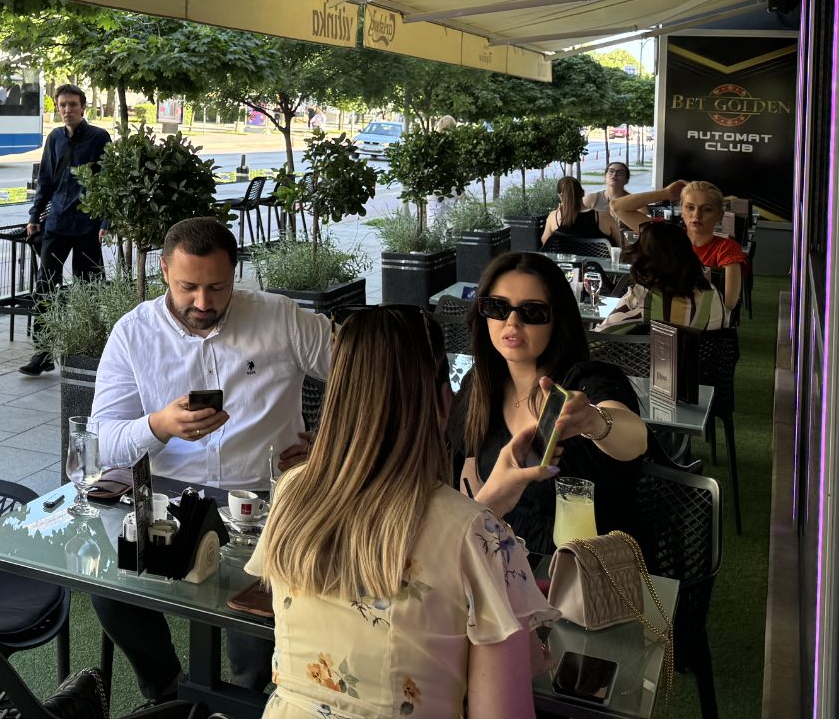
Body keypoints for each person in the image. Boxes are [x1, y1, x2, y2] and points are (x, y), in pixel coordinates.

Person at [249, 308, 558, 719]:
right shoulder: (478, 537)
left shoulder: (292, 493)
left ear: (338, 393)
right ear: (443, 399)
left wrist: (484, 511)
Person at [88, 216, 330, 700]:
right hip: (167, 502)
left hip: (266, 500)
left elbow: (369, 375)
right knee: (110, 593)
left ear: (235, 273)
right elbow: (102, 441)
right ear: (163, 271)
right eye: (188, 287)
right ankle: (169, 693)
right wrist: (158, 425)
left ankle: (242, 699)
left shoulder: (282, 318)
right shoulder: (134, 333)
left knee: (257, 620)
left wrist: (331, 441)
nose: (202, 303)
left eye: (217, 287)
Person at [455, 253, 649, 555]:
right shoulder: (479, 386)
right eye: (497, 307)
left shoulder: (586, 380)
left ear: (557, 319)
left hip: (592, 563)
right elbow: (470, 479)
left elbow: (635, 439)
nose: (512, 321)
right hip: (505, 558)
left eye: (532, 312)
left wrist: (593, 421)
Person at [19, 84, 112, 375]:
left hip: (87, 225)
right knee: (45, 288)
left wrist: (105, 222)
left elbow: (108, 182)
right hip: (57, 223)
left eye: (72, 104)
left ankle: (89, 349)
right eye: (62, 105)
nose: (67, 110)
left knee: (89, 287)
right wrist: (34, 215)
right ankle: (43, 352)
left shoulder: (99, 137)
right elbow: (45, 181)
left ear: (83, 107)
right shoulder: (55, 137)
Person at [611, 177, 747, 312]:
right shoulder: (668, 236)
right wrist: (665, 193)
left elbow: (729, 302)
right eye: (690, 207)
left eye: (707, 209)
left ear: (719, 215)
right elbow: (618, 207)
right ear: (681, 210)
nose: (696, 215)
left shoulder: (726, 248)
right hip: (660, 313)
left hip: (701, 318)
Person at [600, 219, 730, 333]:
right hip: (702, 354)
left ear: (646, 259)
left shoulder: (646, 300)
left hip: (652, 354)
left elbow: (600, 337)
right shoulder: (713, 295)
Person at [539, 175, 618, 248]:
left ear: (560, 196)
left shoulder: (554, 217)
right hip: (596, 259)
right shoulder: (603, 217)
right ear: (583, 193)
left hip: (564, 259)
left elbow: (545, 242)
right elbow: (620, 244)